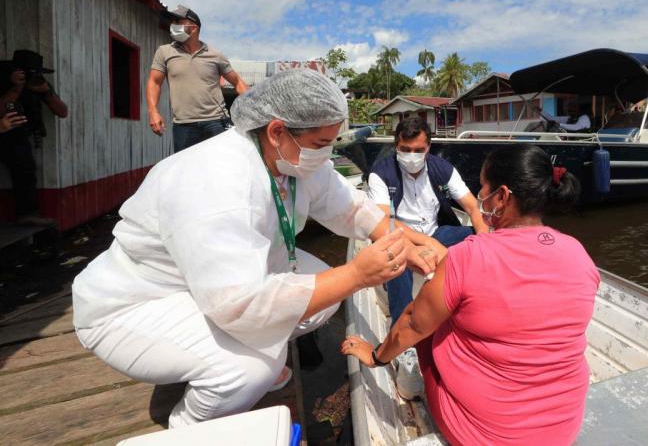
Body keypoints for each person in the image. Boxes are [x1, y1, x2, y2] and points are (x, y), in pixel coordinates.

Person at [72, 69, 440, 428]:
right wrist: (358, 274)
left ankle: (239, 349)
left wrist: (405, 240)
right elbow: (240, 304)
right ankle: (191, 426)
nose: (326, 157)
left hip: (212, 284)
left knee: (324, 293)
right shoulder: (218, 181)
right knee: (251, 369)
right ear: (277, 130)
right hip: (137, 304)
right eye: (321, 144)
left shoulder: (291, 157)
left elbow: (351, 207)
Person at [344, 145, 600, 445]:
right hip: (562, 428)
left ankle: (408, 379)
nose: (480, 195)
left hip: (486, 434)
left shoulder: (468, 257)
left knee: (426, 316)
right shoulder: (578, 252)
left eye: (484, 187)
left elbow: (412, 324)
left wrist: (375, 357)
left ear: (502, 196)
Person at [367, 116, 488, 323]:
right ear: (396, 146)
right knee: (398, 261)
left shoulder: (442, 168)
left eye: (418, 150)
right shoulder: (380, 173)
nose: (411, 155)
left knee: (474, 236)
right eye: (405, 149)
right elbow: (384, 220)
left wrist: (486, 241)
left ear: (428, 147)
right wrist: (426, 243)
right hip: (398, 236)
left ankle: (471, 302)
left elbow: (472, 207)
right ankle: (401, 325)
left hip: (436, 232)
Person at [147, 5, 249, 152]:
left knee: (220, 168)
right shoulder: (165, 52)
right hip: (183, 126)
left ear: (193, 28)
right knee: (186, 171)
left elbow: (238, 82)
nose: (173, 26)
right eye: (173, 22)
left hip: (216, 123)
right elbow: (154, 82)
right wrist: (153, 112)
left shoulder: (215, 55)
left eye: (178, 22)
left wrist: (256, 108)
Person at [0, 51, 68, 225]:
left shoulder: (39, 83)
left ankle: (27, 214)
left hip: (20, 133)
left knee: (26, 169)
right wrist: (16, 87)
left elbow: (62, 112)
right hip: (5, 130)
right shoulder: (5, 79)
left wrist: (47, 93)